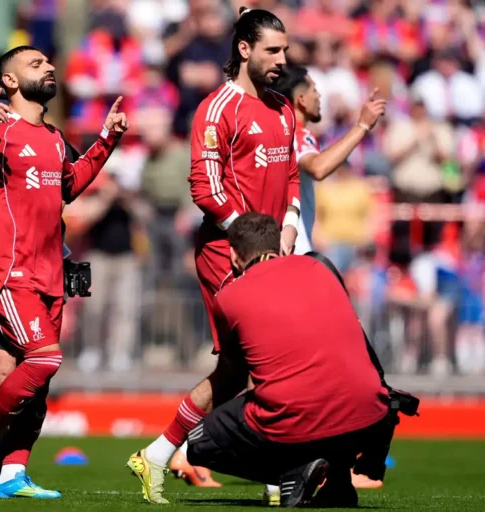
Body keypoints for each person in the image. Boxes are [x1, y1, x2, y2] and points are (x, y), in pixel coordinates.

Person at [0, 45, 128, 498]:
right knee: (44, 358)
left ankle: (13, 472)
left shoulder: (55, 138)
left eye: (48, 62)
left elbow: (69, 187)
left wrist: (106, 139)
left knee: (33, 381)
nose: (50, 67)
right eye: (36, 64)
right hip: (9, 271)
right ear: (9, 80)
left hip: (50, 273)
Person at [127, 7, 300, 504]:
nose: (281, 59)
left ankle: (157, 454)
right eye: (272, 50)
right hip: (228, 253)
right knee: (266, 361)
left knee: (235, 372)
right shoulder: (216, 108)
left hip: (271, 253)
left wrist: (289, 224)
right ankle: (276, 474)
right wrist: (251, 240)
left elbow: (291, 176)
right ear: (244, 50)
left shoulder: (284, 109)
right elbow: (205, 187)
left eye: (285, 50)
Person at [134, 212, 395, 507]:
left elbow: (231, 377)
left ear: (233, 255)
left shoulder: (230, 297)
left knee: (199, 443)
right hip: (374, 417)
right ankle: (338, 481)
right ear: (279, 243)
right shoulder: (320, 267)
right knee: (324, 395)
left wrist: (172, 437)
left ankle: (293, 470)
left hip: (304, 421)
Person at [272, 64, 387, 256]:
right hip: (293, 250)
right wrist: (362, 125)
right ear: (301, 99)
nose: (319, 96)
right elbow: (318, 168)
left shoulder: (273, 133)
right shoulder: (297, 134)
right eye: (314, 90)